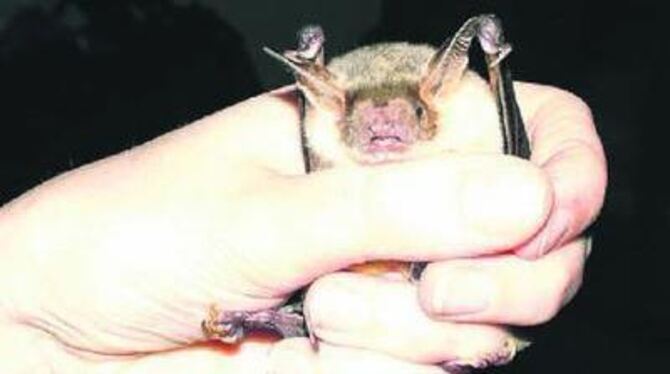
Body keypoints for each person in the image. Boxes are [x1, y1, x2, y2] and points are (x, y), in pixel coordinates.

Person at [0, 82, 605, 373]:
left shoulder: (465, 149)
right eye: (367, 124)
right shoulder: (316, 173)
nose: (385, 132)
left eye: (405, 118)